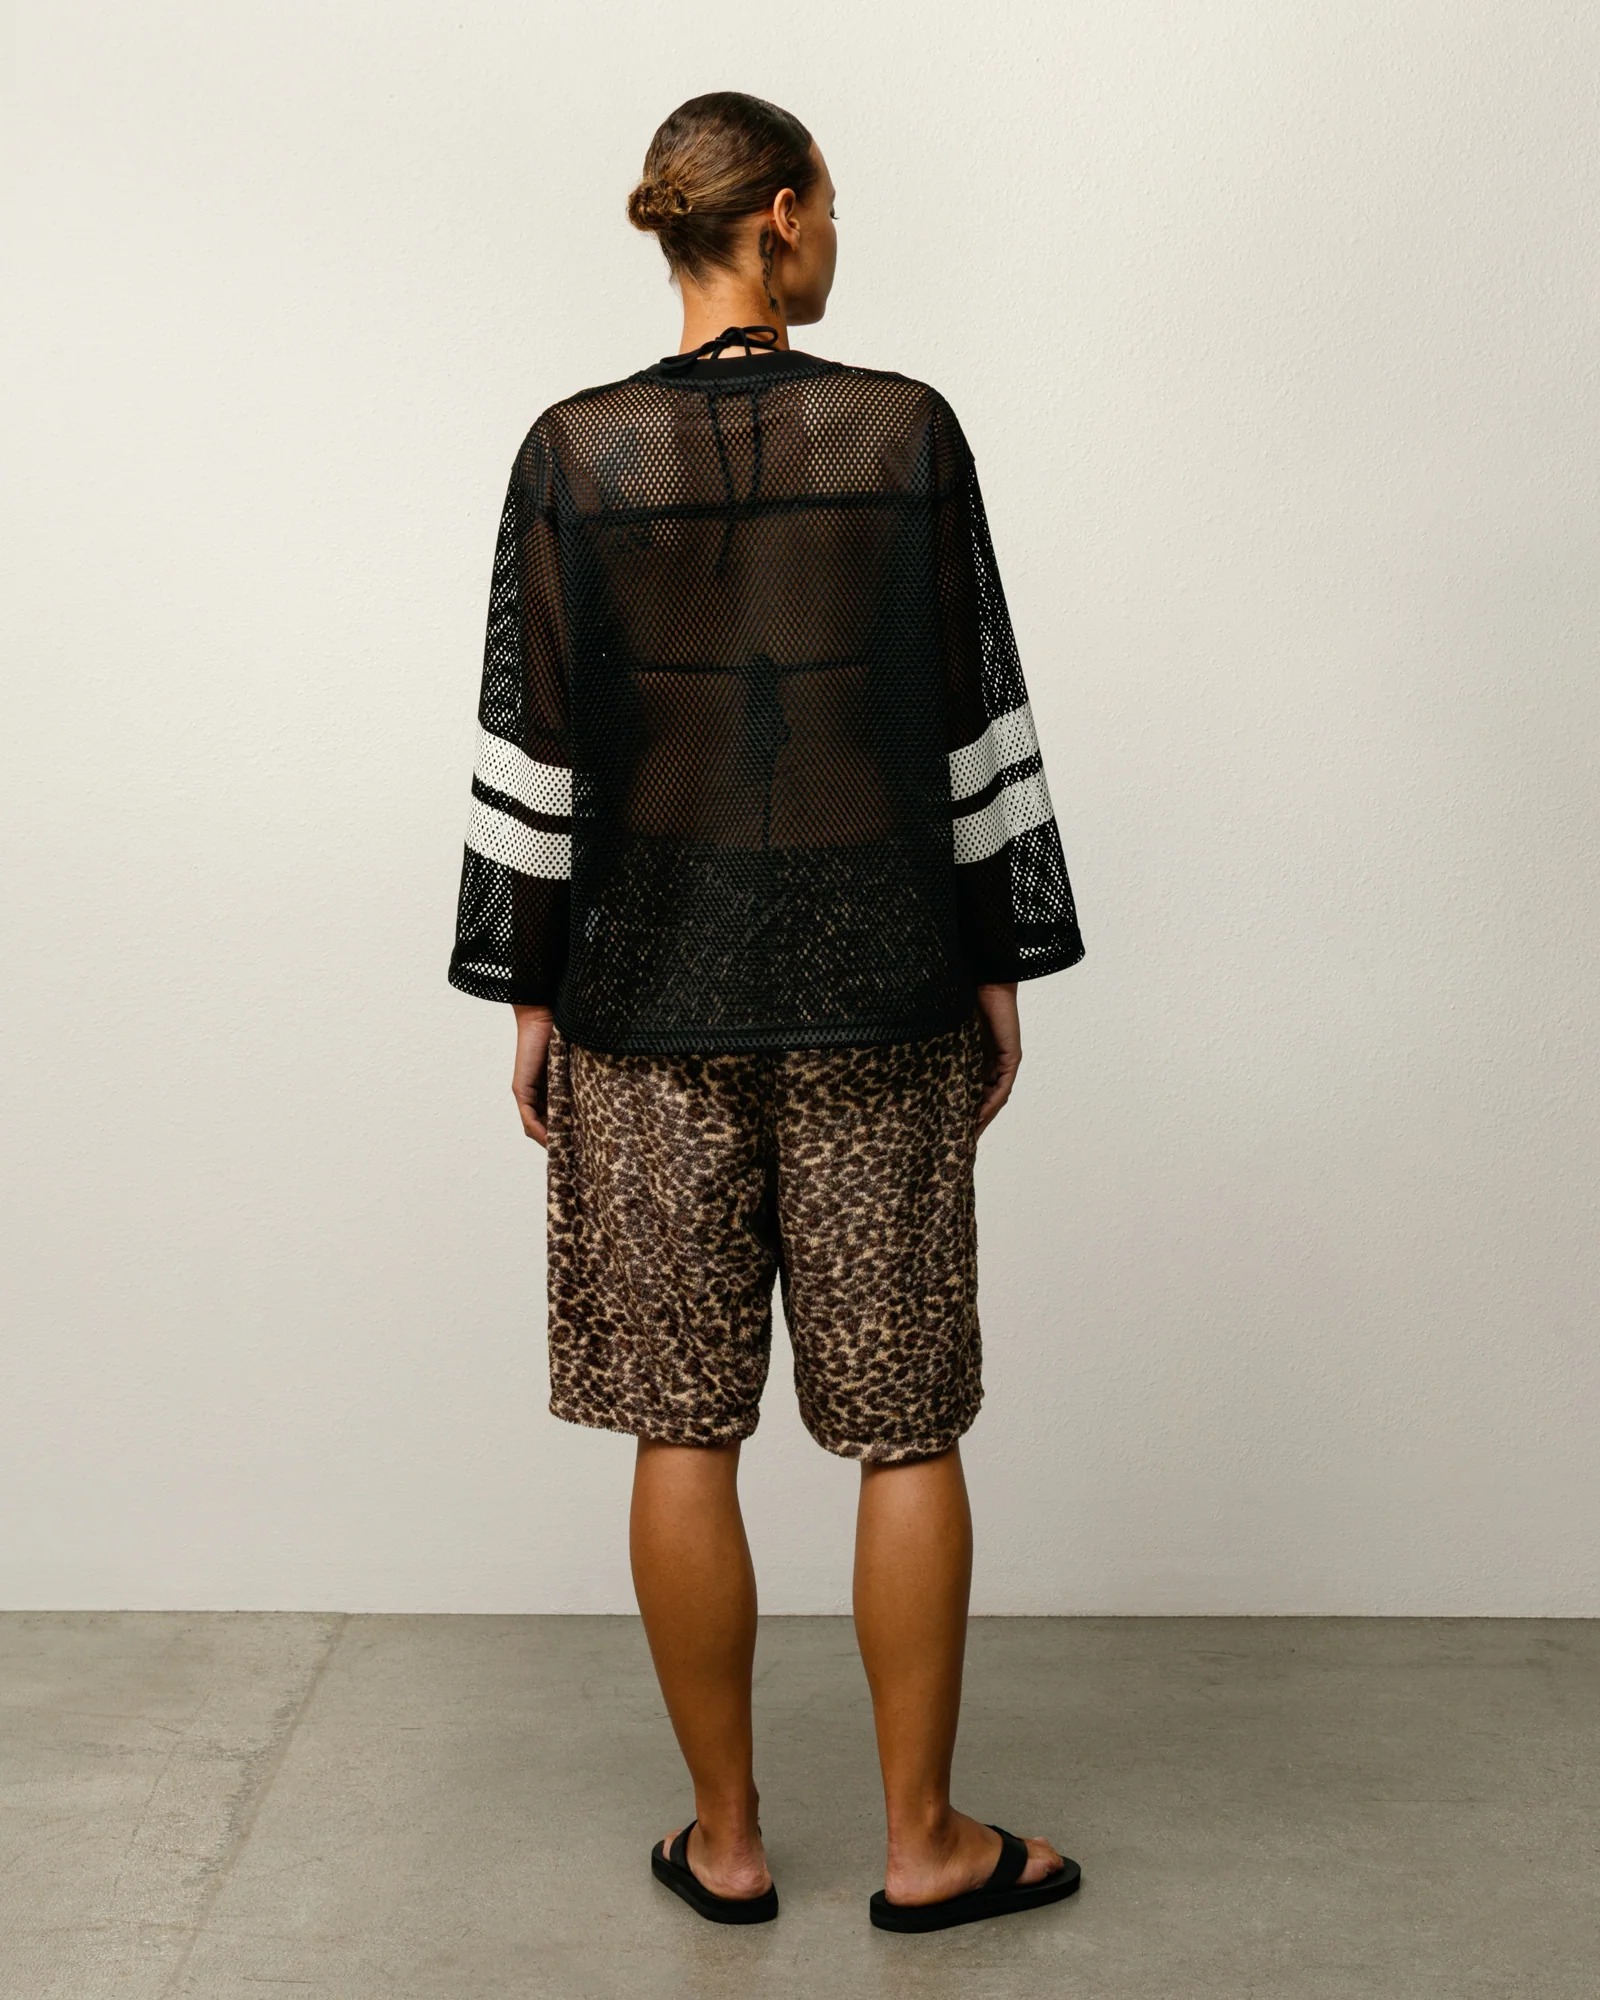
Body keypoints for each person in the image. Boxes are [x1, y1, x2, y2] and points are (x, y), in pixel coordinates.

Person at [446, 90, 1087, 1933]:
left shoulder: (576, 453)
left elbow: (537, 741)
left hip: (645, 999)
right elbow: (968, 710)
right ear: (787, 215)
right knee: (907, 1427)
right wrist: (995, 955)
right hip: (879, 987)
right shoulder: (901, 433)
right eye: (835, 208)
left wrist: (532, 994)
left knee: (682, 1427)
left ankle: (724, 1841)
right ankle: (924, 1845)